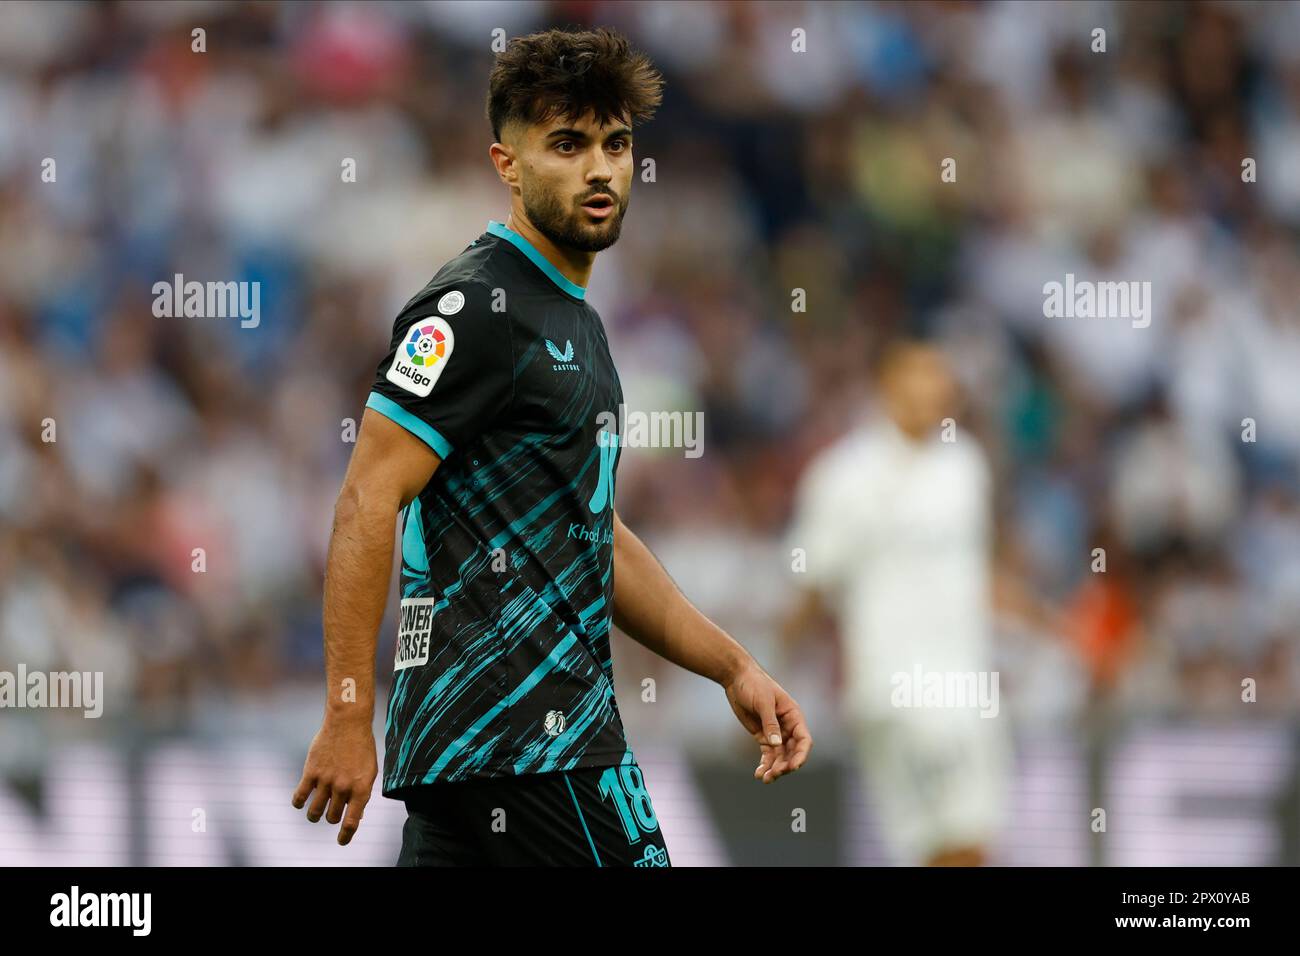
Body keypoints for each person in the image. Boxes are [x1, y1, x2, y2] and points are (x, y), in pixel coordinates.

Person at [291, 27, 812, 867]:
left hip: (466, 751)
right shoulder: (473, 312)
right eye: (567, 145)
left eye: (615, 144)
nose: (599, 169)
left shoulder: (575, 319)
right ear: (507, 163)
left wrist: (731, 666)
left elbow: (590, 533)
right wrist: (350, 713)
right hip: (539, 735)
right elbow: (365, 498)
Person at [785, 341, 1008, 866]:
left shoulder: (967, 466)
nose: (933, 390)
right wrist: (759, 669)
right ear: (886, 385)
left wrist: (1047, 624)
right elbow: (813, 583)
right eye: (919, 377)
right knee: (956, 837)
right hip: (891, 686)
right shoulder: (843, 474)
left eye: (940, 379)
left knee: (952, 842)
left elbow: (976, 574)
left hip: (966, 681)